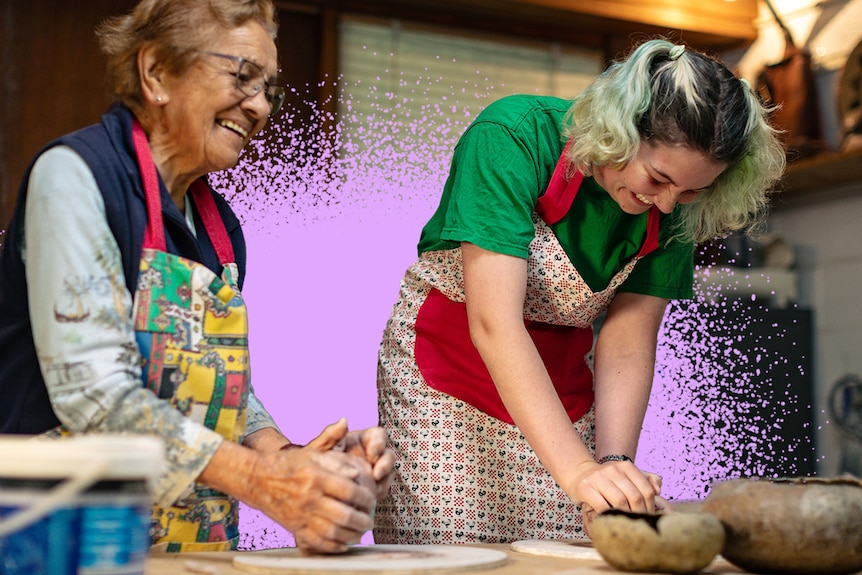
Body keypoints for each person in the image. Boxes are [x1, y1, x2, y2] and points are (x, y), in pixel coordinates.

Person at [0, 0, 393, 554]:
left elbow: (227, 391)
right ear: (157, 71)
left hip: (192, 547)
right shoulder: (74, 177)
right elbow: (95, 395)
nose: (259, 106)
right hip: (61, 536)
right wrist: (264, 484)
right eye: (242, 77)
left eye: (269, 89)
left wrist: (297, 461)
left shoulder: (219, 226)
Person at [373, 38, 786, 544]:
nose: (667, 203)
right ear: (622, 127)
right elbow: (493, 322)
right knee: (451, 554)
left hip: (564, 392)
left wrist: (611, 466)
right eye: (658, 178)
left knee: (567, 548)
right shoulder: (514, 136)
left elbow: (629, 342)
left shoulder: (676, 208)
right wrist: (577, 471)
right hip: (445, 385)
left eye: (692, 189)